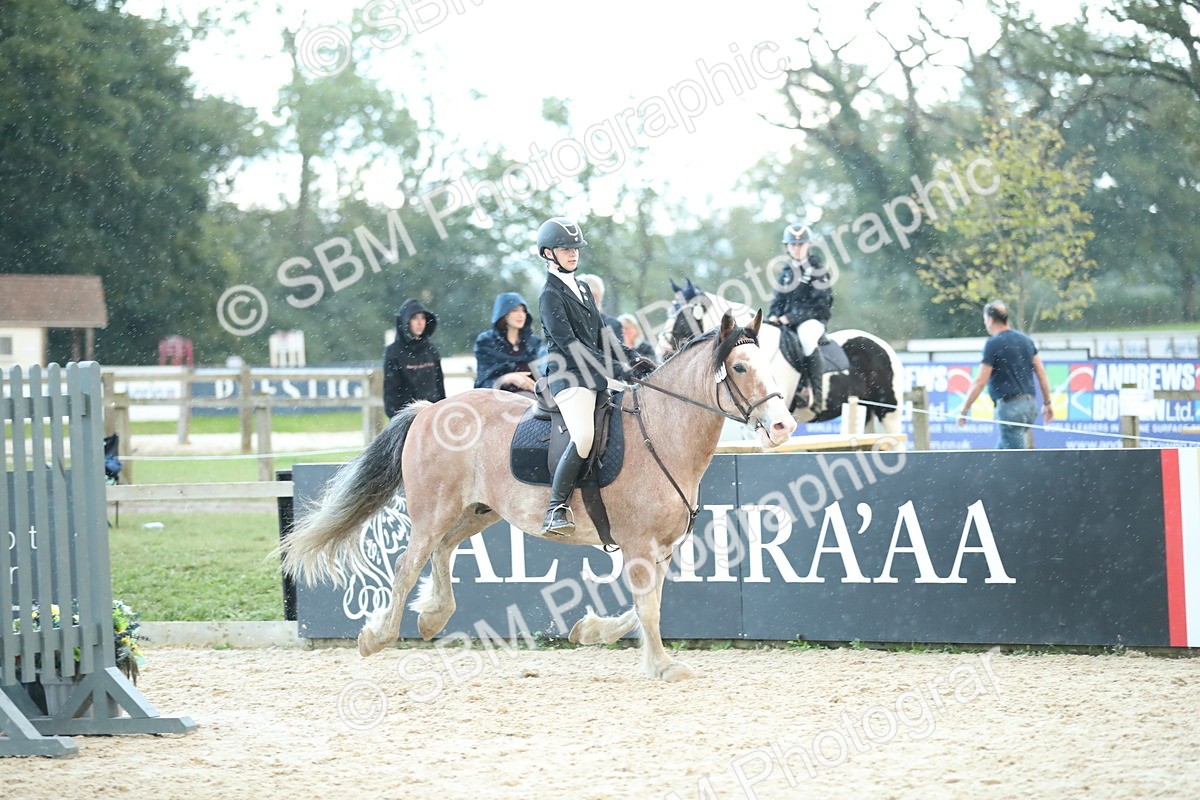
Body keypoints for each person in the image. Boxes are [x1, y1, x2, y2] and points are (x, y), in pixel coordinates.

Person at [536, 217, 648, 536]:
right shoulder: (549, 295)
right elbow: (570, 346)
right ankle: (556, 507)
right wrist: (614, 368)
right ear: (547, 253)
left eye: (575, 248)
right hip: (568, 377)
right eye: (564, 249)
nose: (572, 254)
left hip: (594, 372)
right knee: (584, 435)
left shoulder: (583, 287)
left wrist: (632, 357)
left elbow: (602, 333)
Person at [957, 300, 1055, 449]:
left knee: (1014, 461)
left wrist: (964, 410)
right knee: (1000, 456)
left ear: (990, 320)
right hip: (1030, 406)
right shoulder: (1026, 340)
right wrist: (1047, 403)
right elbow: (1041, 373)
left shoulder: (993, 343)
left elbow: (980, 382)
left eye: (985, 320)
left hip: (1010, 409)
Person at [767, 223, 834, 409]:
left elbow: (822, 304)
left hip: (813, 321)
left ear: (808, 245)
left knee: (806, 339)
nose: (796, 248)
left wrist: (792, 318)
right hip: (786, 322)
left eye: (801, 244)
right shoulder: (786, 271)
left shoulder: (817, 268)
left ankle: (816, 394)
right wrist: (773, 315)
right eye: (793, 245)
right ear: (787, 247)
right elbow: (778, 299)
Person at [383, 298, 446, 417]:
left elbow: (439, 387)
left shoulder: (431, 349)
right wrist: (399, 419)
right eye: (414, 318)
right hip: (405, 419)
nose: (420, 322)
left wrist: (440, 412)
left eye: (422, 318)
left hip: (431, 416)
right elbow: (391, 394)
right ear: (405, 322)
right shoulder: (393, 351)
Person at [474, 292, 542, 392]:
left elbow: (546, 375)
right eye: (515, 310)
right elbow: (483, 384)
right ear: (503, 313)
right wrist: (508, 379)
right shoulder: (487, 343)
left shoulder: (535, 343)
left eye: (523, 311)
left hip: (534, 399)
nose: (521, 315)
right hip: (499, 400)